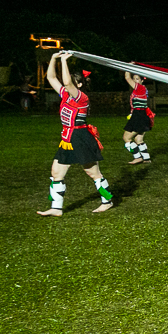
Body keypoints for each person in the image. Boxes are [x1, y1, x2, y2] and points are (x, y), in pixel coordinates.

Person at [37, 51, 114, 216]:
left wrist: (64, 61)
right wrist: (53, 59)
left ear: (79, 85)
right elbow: (51, 78)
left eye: (72, 81)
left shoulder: (82, 98)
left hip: (81, 138)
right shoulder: (65, 94)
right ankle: (56, 208)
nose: (68, 83)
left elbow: (65, 81)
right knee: (56, 173)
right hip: (67, 139)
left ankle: (107, 201)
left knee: (93, 173)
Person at [123, 69, 154, 164]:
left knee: (126, 138)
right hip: (142, 115)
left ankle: (137, 156)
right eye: (134, 79)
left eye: (137, 79)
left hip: (139, 115)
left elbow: (127, 77)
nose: (135, 81)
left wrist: (127, 67)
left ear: (142, 80)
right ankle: (146, 158)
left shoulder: (140, 88)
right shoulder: (141, 89)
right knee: (138, 139)